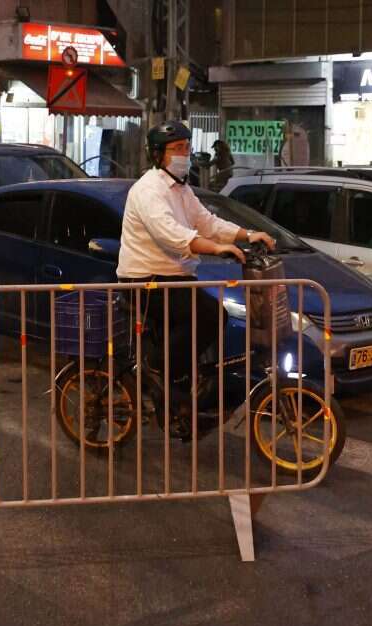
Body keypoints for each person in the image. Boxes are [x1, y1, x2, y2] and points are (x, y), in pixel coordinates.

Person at [118, 121, 275, 437]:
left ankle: (179, 383)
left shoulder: (181, 188)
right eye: (177, 149)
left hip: (173, 277)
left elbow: (207, 221)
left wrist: (246, 234)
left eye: (187, 148)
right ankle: (163, 371)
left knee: (206, 316)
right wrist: (219, 249)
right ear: (158, 154)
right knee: (209, 315)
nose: (184, 155)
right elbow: (173, 237)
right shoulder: (149, 190)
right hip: (146, 281)